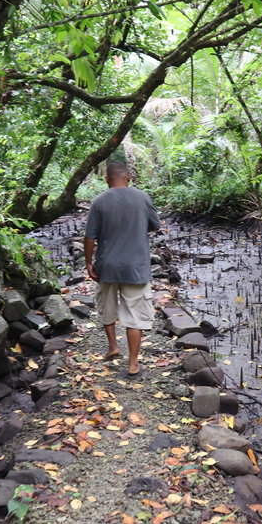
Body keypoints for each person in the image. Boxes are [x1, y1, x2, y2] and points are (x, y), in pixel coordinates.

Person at [84, 161, 160, 376]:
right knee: (135, 315)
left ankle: (113, 347)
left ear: (107, 179)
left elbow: (90, 236)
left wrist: (89, 262)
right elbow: (155, 225)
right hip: (136, 266)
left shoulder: (99, 201)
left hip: (106, 266)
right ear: (128, 177)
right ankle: (133, 362)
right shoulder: (142, 197)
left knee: (107, 307)